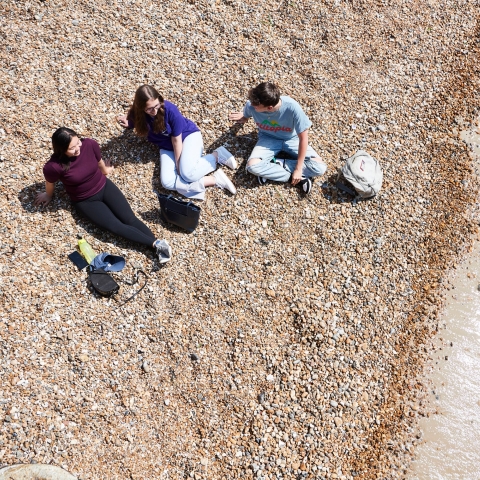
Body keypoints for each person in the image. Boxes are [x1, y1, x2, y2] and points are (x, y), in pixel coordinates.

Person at [34, 127, 172, 264]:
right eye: (72, 148)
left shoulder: (89, 144)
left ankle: (157, 245)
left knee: (130, 218)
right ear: (61, 150)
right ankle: (157, 245)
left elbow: (99, 162)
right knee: (116, 226)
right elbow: (50, 183)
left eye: (78, 143)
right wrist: (48, 195)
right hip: (86, 200)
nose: (78, 148)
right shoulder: (53, 167)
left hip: (105, 186)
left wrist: (106, 170)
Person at [117, 85, 237, 200]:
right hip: (166, 146)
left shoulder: (170, 109)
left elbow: (176, 140)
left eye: (157, 105)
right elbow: (135, 120)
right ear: (141, 107)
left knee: (186, 174)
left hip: (187, 136)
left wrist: (179, 165)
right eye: (149, 108)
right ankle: (214, 180)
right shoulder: (137, 114)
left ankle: (217, 156)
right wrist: (130, 123)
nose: (154, 111)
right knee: (167, 182)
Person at [229, 82, 327, 194]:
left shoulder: (292, 107)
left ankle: (276, 166)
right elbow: (247, 110)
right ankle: (296, 178)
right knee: (252, 166)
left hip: (292, 139)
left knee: (319, 167)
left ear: (269, 108)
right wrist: (245, 116)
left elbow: (303, 139)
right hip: (268, 139)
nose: (251, 105)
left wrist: (298, 169)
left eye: (255, 106)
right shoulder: (251, 105)